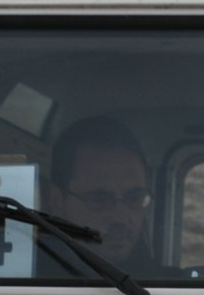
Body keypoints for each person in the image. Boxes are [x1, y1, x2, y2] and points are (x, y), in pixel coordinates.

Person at [44, 116, 160, 273]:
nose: (120, 217)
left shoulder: (174, 289)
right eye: (99, 199)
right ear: (56, 201)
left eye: (134, 198)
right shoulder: (19, 282)